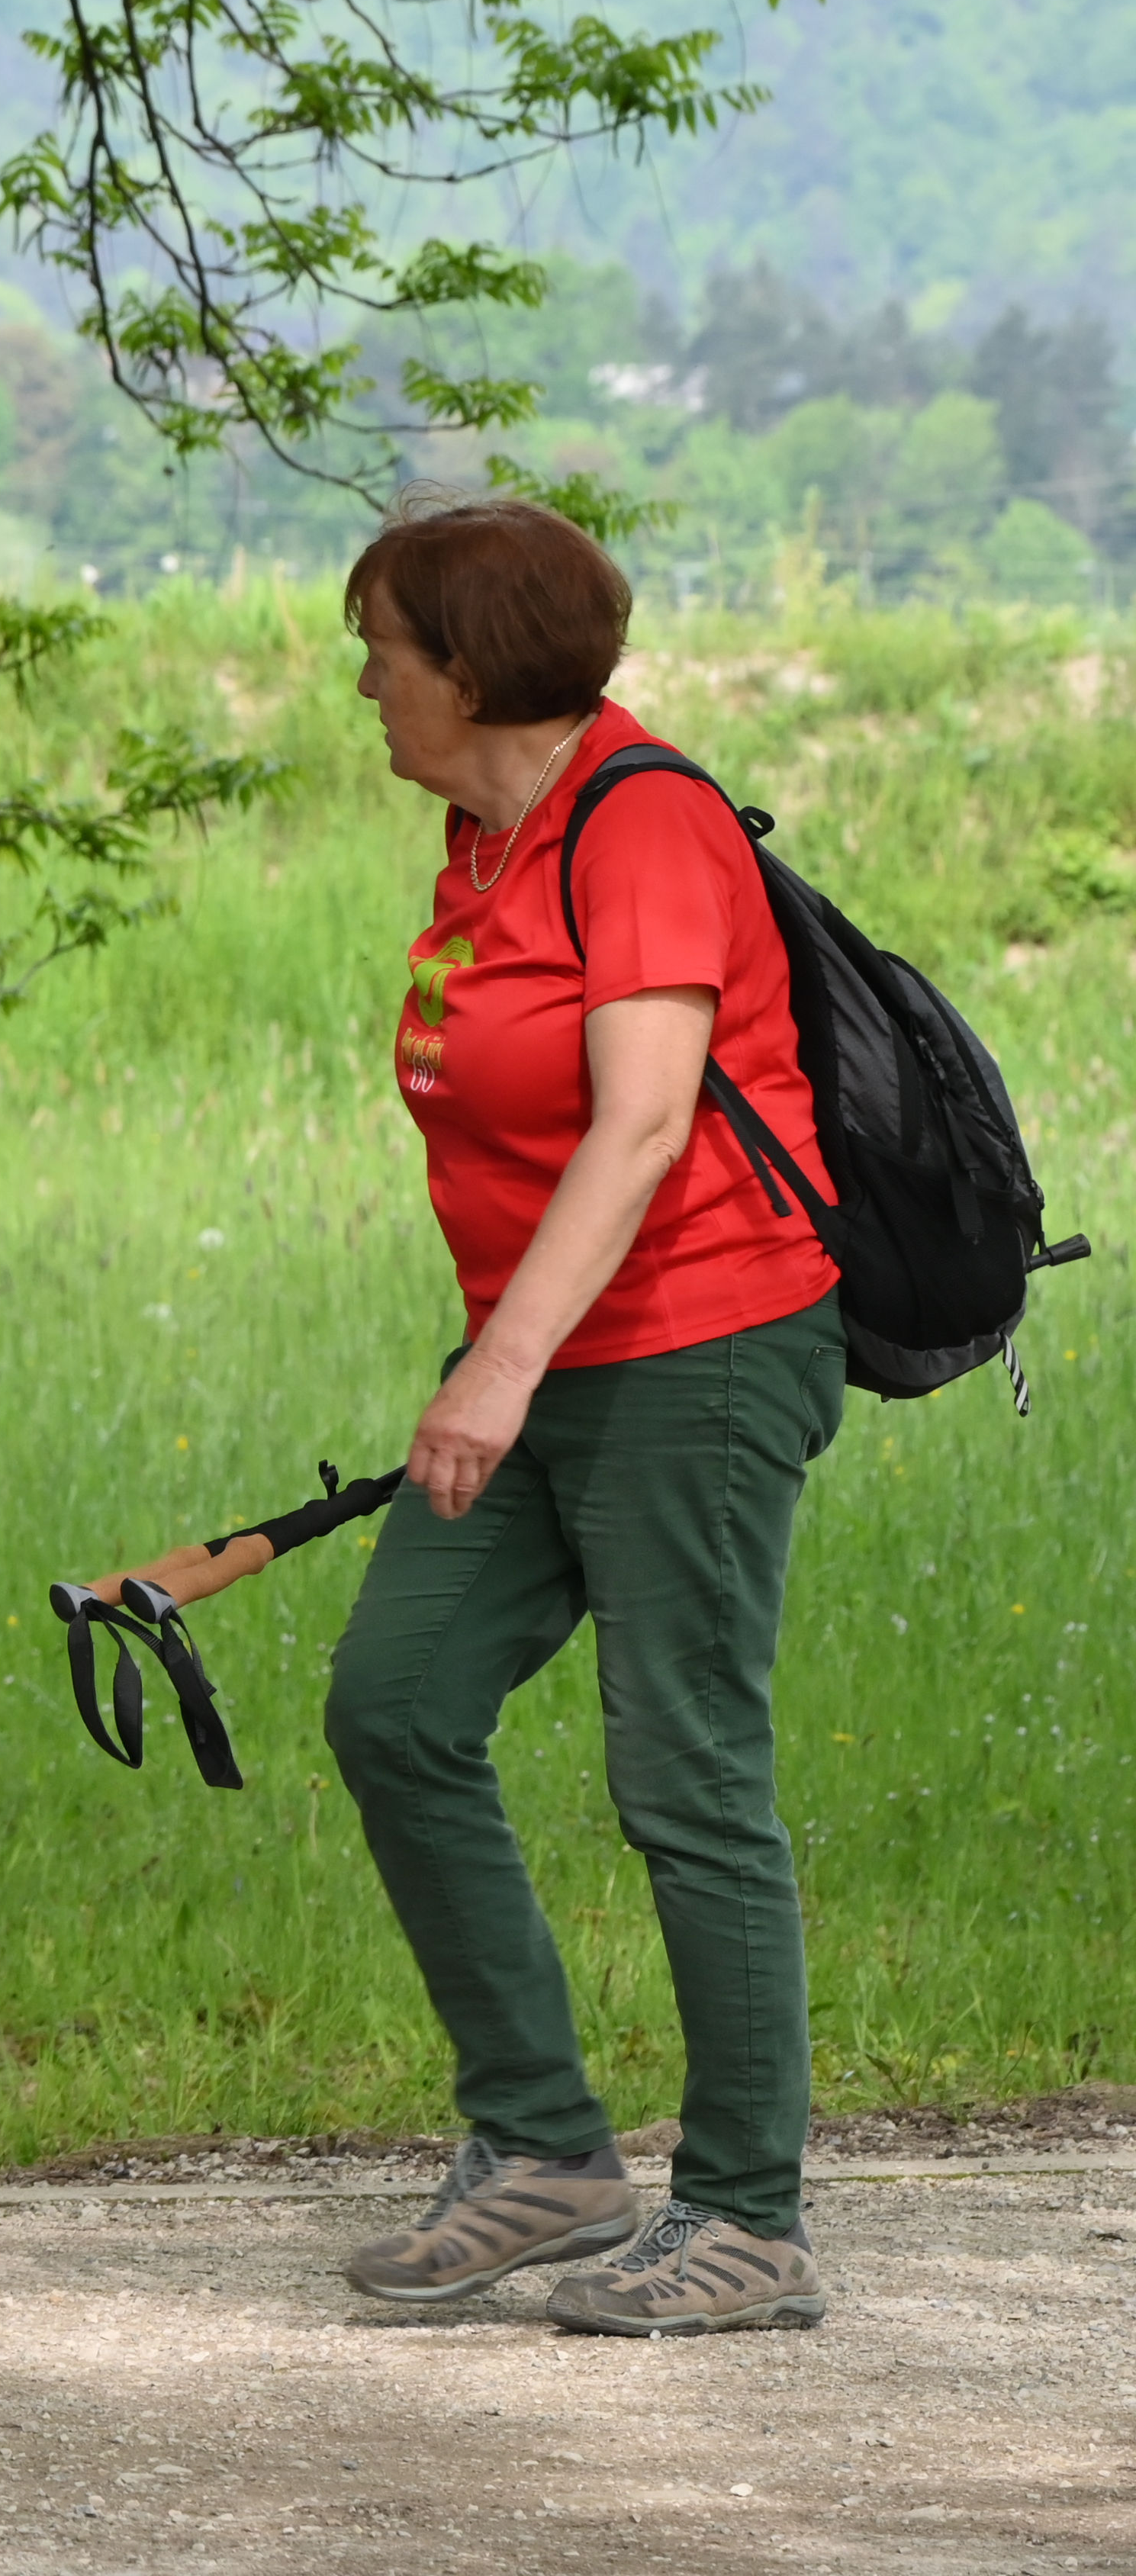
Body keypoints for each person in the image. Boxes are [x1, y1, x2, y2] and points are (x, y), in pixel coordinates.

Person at [322, 488, 846, 2337]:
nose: (365, 685)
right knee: (396, 1702)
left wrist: (498, 1364)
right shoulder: (488, 839)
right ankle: (546, 2146)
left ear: (468, 668)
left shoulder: (645, 822)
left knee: (688, 1771)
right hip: (548, 1352)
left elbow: (641, 1124)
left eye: (383, 652)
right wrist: (513, 1353)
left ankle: (751, 2217)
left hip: (702, 1342)